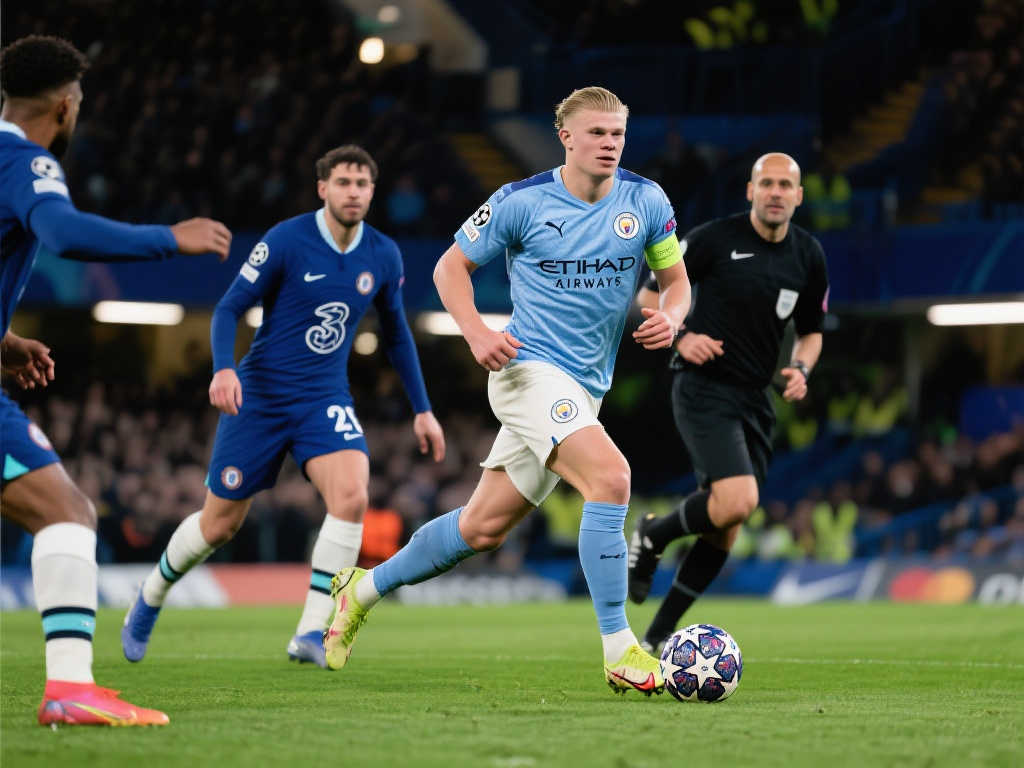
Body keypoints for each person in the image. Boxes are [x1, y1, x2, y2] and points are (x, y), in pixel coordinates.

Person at [321, 86, 691, 695]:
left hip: (585, 386)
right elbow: (449, 267)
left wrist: (672, 317)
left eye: (618, 134)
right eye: (596, 133)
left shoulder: (646, 201)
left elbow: (675, 281)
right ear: (566, 137)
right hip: (527, 371)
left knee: (482, 529)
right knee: (612, 478)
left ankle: (360, 590)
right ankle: (620, 648)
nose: (609, 144)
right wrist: (476, 332)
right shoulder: (521, 202)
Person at [121, 145, 445, 669]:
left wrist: (422, 409)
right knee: (218, 525)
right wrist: (223, 368)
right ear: (323, 188)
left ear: (372, 191)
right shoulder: (287, 240)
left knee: (352, 495)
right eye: (343, 183)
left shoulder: (383, 254)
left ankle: (311, 631)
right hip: (262, 397)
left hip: (324, 397)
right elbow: (228, 308)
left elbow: (397, 335)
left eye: (362, 184)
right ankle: (151, 594)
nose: (353, 193)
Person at [0, 35, 231, 726]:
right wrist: (170, 238)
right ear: (65, 106)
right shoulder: (24, 161)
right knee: (65, 512)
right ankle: (69, 690)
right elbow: (64, 232)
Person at [628, 152, 829, 653]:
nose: (776, 192)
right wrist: (682, 337)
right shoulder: (714, 239)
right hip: (703, 386)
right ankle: (654, 534)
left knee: (727, 523)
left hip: (756, 398)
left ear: (799, 196)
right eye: (768, 183)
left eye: (786, 185)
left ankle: (656, 636)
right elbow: (648, 299)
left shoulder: (809, 255)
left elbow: (811, 332)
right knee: (739, 500)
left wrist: (802, 369)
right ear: (751, 191)